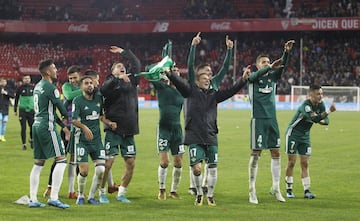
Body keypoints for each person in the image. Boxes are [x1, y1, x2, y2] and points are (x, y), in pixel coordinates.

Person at [165, 62, 250, 207]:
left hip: (211, 135)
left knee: (212, 167)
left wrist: (242, 80)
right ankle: (199, 193)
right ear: (197, 80)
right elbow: (179, 84)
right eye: (204, 78)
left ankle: (210, 196)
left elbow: (230, 91)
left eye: (208, 79)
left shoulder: (214, 95)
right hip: (194, 136)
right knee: (196, 168)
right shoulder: (190, 91)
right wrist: (170, 74)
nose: (207, 80)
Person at [246, 40, 295, 205]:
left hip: (272, 120)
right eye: (263, 62)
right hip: (258, 120)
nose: (267, 64)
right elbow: (253, 76)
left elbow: (282, 66)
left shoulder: (273, 78)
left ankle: (275, 187)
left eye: (268, 61)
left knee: (276, 152)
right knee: (256, 154)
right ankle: (252, 189)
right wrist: (269, 66)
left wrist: (286, 53)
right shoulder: (252, 79)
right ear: (257, 65)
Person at [187, 32, 234, 195]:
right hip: (194, 121)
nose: (209, 73)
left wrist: (229, 51)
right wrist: (193, 46)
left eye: (210, 71)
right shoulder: (194, 84)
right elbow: (190, 65)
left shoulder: (213, 83)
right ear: (199, 75)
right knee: (196, 159)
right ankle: (194, 187)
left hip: (209, 124)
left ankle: (203, 187)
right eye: (206, 71)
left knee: (209, 160)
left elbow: (225, 68)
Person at [100, 45, 141, 203]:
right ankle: (102, 191)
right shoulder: (110, 82)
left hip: (129, 129)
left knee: (130, 162)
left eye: (122, 66)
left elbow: (136, 63)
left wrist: (124, 52)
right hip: (113, 129)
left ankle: (122, 193)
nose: (121, 67)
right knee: (108, 163)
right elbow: (104, 90)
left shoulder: (132, 81)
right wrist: (117, 79)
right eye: (118, 66)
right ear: (112, 72)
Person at [29, 59, 69, 209]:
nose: (56, 70)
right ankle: (54, 197)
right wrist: (67, 118)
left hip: (37, 124)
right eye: (54, 68)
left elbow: (48, 109)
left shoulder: (37, 86)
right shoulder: (51, 87)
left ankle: (33, 199)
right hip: (47, 126)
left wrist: (62, 126)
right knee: (61, 159)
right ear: (47, 72)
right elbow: (60, 107)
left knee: (39, 163)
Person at [285, 84, 336, 199]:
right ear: (311, 94)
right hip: (293, 134)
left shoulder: (320, 105)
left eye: (321, 94)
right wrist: (327, 112)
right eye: (318, 94)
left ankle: (307, 190)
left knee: (305, 163)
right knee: (291, 162)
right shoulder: (306, 105)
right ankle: (289, 189)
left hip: (305, 136)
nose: (321, 96)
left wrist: (321, 118)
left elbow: (326, 121)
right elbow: (315, 118)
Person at [43, 65, 82, 199]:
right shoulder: (66, 86)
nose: (72, 80)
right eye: (70, 78)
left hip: (81, 128)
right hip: (67, 128)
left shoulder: (84, 85)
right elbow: (69, 96)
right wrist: (85, 90)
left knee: (78, 159)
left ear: (80, 76)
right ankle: (50, 187)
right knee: (60, 158)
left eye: (75, 78)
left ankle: (76, 190)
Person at [72, 75, 110, 205]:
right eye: (86, 83)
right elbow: (74, 120)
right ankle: (80, 195)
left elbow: (101, 116)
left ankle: (92, 197)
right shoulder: (77, 100)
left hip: (97, 141)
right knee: (84, 171)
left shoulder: (99, 99)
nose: (90, 85)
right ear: (81, 86)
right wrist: (84, 127)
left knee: (101, 170)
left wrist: (109, 123)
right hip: (82, 141)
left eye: (91, 83)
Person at [152, 66, 185, 200]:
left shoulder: (183, 91)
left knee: (178, 162)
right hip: (164, 129)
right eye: (173, 72)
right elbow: (150, 72)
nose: (175, 74)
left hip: (177, 129)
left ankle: (173, 191)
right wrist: (161, 66)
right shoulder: (161, 87)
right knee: (164, 162)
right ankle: (161, 189)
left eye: (177, 72)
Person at [14, 74, 35, 150]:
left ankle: (32, 140)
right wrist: (15, 110)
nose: (27, 80)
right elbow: (16, 99)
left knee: (32, 127)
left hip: (31, 110)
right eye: (25, 78)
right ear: (23, 80)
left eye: (28, 78)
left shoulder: (33, 87)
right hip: (22, 111)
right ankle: (24, 144)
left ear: (30, 79)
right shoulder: (19, 88)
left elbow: (36, 99)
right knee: (23, 128)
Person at [0, 78, 14, 142]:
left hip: (5, 108)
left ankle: (2, 136)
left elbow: (12, 96)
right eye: (2, 81)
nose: (3, 83)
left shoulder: (8, 88)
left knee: (4, 122)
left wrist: (6, 93)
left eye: (4, 81)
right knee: (0, 120)